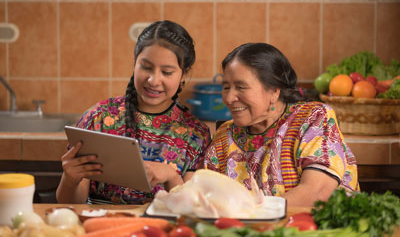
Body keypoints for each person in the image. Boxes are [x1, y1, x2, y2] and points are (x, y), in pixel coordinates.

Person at [56, 20, 211, 205]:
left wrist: (171, 176)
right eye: (146, 67)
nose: (153, 80)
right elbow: (70, 203)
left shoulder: (195, 134)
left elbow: (190, 209)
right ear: (134, 63)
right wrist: (70, 179)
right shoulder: (99, 118)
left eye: (167, 72)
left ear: (184, 74)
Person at [203, 43, 359, 207]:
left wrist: (251, 214)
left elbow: (317, 192)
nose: (229, 98)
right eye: (226, 87)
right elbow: (208, 199)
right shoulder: (223, 137)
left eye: (241, 87)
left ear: (274, 91)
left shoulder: (314, 119)